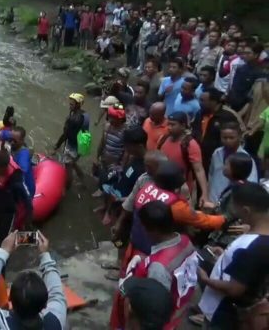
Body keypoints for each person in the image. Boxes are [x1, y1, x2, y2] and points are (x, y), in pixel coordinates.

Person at [112, 201, 198, 329]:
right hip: (180, 306)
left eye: (144, 227)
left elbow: (152, 305)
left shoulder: (158, 269)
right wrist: (144, 260)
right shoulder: (184, 240)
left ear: (153, 230)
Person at [198, 182, 269, 329]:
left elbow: (234, 289)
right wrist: (225, 255)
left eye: (235, 209)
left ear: (246, 211)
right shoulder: (257, 237)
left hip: (225, 313)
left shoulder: (253, 248)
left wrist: (205, 279)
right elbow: (248, 270)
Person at [0, 230, 67, 330]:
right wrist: (45, 256)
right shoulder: (56, 322)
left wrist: (3, 251)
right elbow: (57, 293)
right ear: (45, 304)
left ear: (10, 299)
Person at [0, 150, 34, 248]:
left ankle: (33, 239)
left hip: (8, 210)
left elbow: (27, 201)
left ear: (4, 168)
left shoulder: (16, 177)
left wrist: (28, 222)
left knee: (3, 238)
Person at [158, 111, 209, 201]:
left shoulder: (190, 144)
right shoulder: (164, 138)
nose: (169, 128)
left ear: (183, 125)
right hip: (162, 187)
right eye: (168, 124)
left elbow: (199, 170)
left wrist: (204, 194)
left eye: (173, 125)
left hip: (181, 191)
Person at [193, 88, 243, 173]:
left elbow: (233, 137)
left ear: (214, 101)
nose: (199, 103)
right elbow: (195, 130)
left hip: (219, 158)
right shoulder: (199, 113)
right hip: (200, 157)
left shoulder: (227, 116)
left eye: (202, 100)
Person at [207, 124, 258, 203]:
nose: (228, 141)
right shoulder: (217, 153)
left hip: (233, 203)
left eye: (231, 138)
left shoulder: (246, 159)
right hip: (213, 199)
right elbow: (211, 174)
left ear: (239, 137)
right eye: (224, 138)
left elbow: (251, 183)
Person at [54, 93, 87, 187]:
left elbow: (65, 135)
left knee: (68, 166)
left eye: (71, 104)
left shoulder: (72, 119)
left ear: (78, 105)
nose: (69, 106)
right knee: (73, 162)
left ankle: (67, 186)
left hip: (72, 146)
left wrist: (57, 145)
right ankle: (82, 177)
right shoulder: (85, 115)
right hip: (81, 145)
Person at [228, 43, 267, 114]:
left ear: (256, 55)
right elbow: (234, 87)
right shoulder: (241, 68)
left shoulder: (261, 73)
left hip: (246, 109)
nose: (245, 55)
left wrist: (242, 112)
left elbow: (254, 96)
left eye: (248, 53)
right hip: (233, 105)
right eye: (244, 53)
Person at [4, 126, 36, 197]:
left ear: (22, 140)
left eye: (15, 141)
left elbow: (22, 172)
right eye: (11, 139)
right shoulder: (13, 144)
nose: (12, 142)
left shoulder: (23, 155)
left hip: (25, 190)